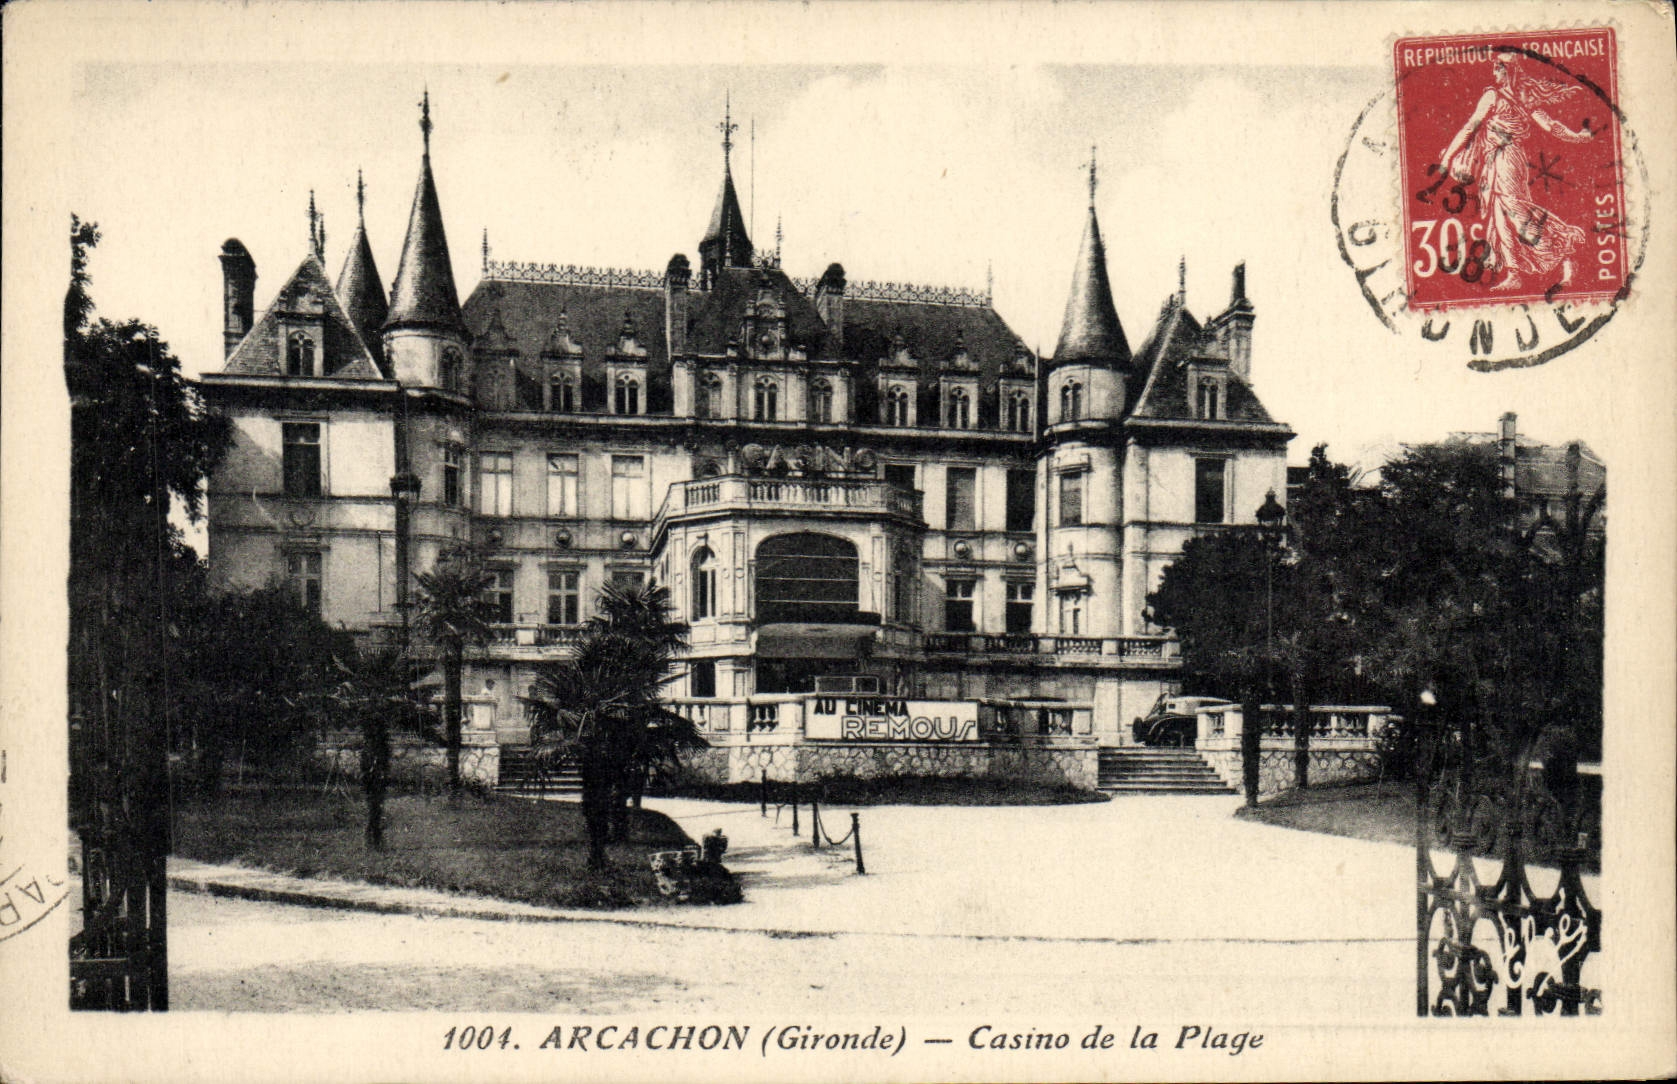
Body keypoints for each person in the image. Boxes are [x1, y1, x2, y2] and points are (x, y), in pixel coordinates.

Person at [1438, 51, 1595, 292]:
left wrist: (1447, 158)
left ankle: (1565, 245)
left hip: (1508, 159)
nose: (1494, 72)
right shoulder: (1513, 97)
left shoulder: (1500, 96)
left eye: (1497, 68)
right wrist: (1577, 136)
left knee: (1517, 213)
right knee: (1500, 216)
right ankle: (1514, 274)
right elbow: (1550, 126)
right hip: (1495, 161)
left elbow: (1471, 127)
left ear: (1507, 70)